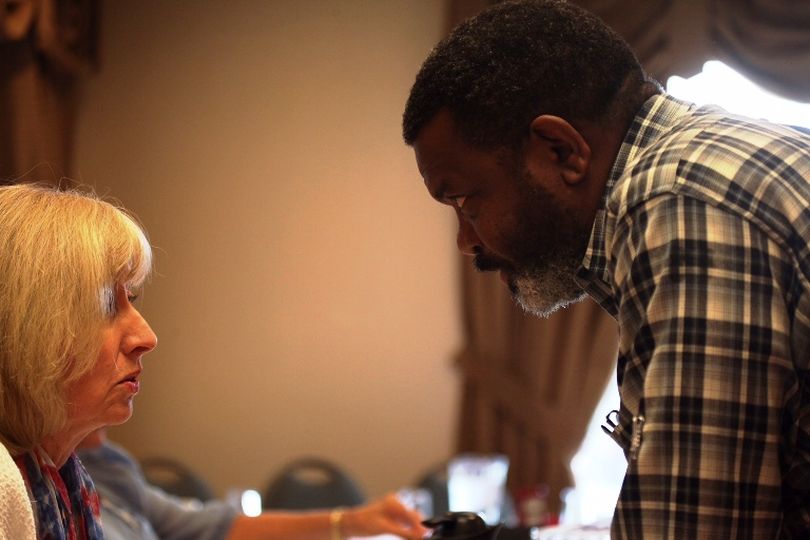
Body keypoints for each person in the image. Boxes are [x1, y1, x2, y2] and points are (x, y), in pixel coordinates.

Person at [402, 0, 810, 538]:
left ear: (561, 150)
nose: (465, 241)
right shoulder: (713, 157)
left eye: (465, 201)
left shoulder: (679, 204)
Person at [0, 182, 159, 538]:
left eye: (131, 298)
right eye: (106, 305)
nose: (147, 338)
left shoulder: (62, 480)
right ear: (24, 327)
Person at [76, 428, 427, 540]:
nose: (146, 336)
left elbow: (215, 524)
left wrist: (354, 522)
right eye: (109, 309)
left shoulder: (109, 466)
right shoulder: (37, 495)